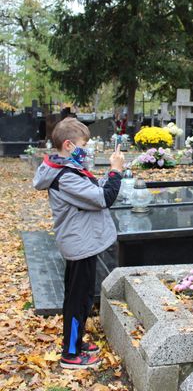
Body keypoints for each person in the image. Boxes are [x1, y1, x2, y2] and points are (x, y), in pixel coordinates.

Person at [33, 117, 124, 369]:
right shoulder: (65, 177)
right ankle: (70, 353)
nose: (89, 148)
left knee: (82, 295)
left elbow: (94, 190)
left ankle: (77, 341)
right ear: (69, 145)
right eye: (85, 144)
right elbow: (104, 198)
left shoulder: (70, 169)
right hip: (79, 244)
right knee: (77, 299)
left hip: (83, 241)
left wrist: (109, 174)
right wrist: (116, 170)